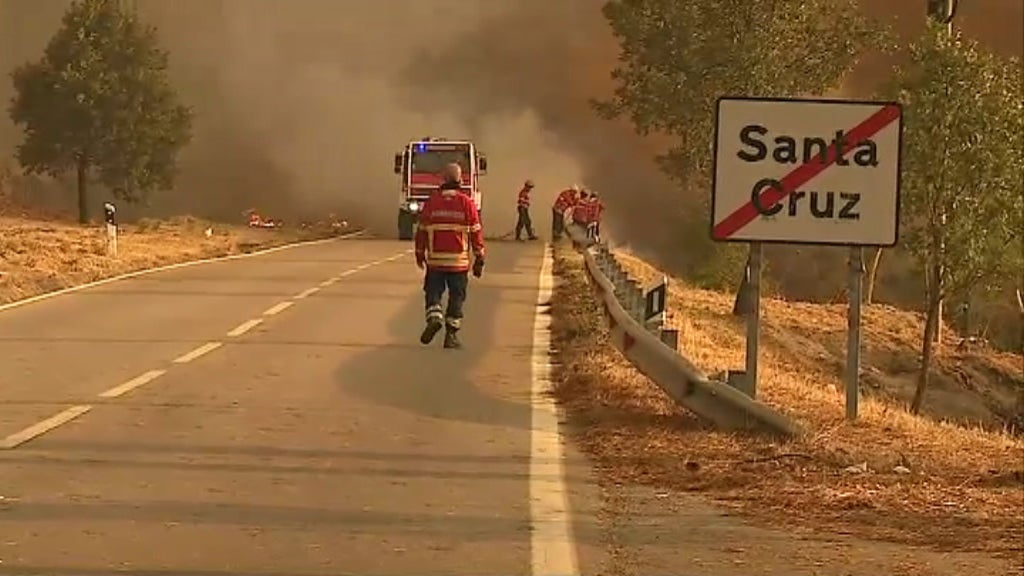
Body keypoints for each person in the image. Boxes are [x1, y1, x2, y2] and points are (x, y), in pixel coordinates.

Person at [414, 162, 486, 349]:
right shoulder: (467, 203)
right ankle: (451, 335)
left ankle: (435, 317)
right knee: (457, 296)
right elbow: (475, 232)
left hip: (436, 262)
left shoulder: (432, 203)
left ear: (443, 179)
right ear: (460, 179)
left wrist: (419, 253)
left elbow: (421, 231)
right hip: (458, 263)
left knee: (433, 292)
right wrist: (480, 257)